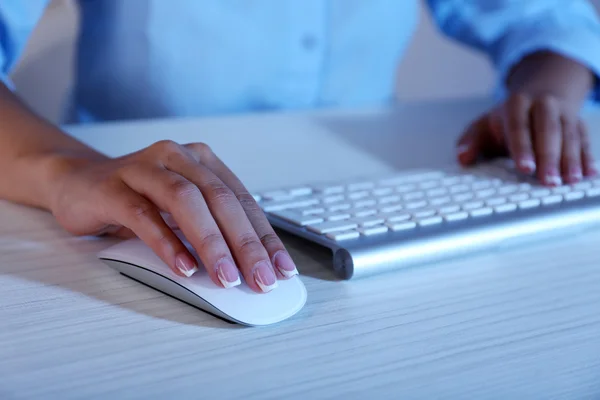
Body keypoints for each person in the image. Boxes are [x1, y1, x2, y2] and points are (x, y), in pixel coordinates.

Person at [1, 1, 599, 293]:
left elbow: (548, 19)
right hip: (134, 199)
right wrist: (68, 171)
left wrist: (545, 94)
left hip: (355, 188)